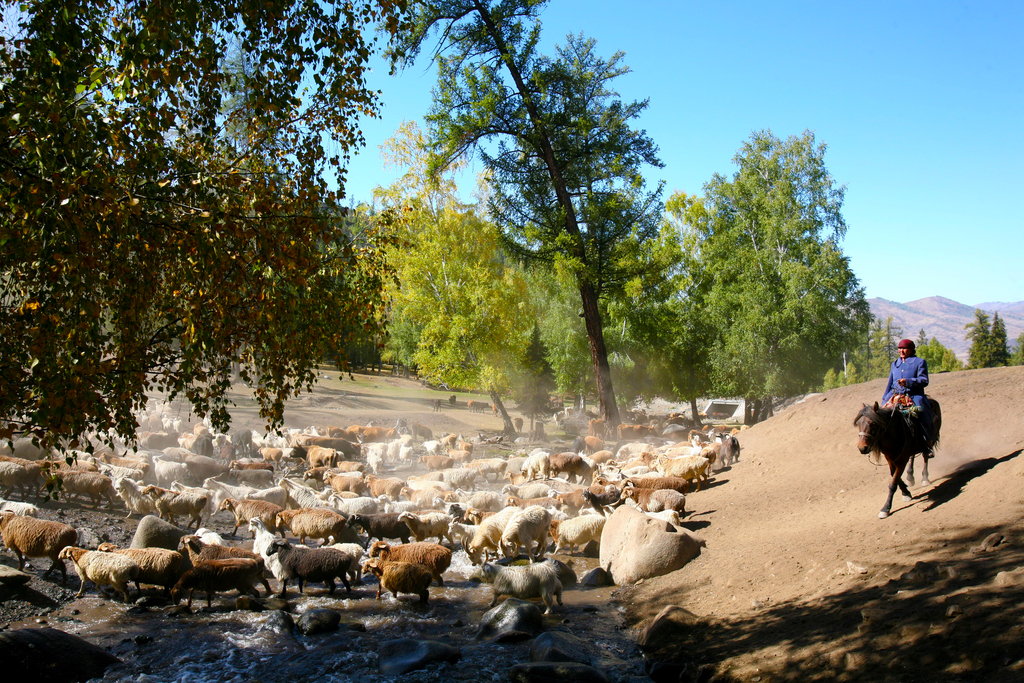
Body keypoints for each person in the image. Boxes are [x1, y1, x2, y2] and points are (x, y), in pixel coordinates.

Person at [882, 338, 935, 453]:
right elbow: (890, 383)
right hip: (895, 394)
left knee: (922, 412)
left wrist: (908, 381)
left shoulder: (919, 362)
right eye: (900, 348)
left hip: (914, 394)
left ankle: (926, 442)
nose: (902, 351)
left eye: (904, 348)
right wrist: (885, 398)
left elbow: (924, 380)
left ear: (911, 349)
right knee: (881, 414)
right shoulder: (895, 364)